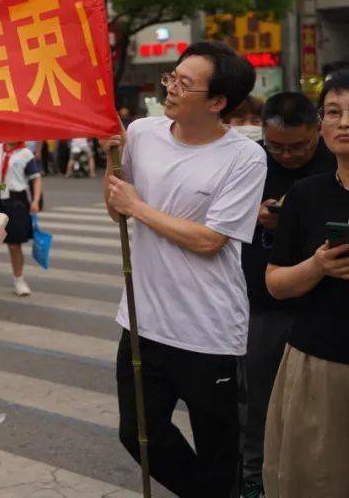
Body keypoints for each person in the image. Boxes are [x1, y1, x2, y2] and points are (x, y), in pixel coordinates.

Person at [104, 42, 266, 497]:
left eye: (183, 83)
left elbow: (211, 241)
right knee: (138, 434)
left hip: (208, 331)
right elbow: (118, 211)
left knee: (219, 450)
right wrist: (112, 158)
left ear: (217, 103)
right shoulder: (143, 132)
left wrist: (138, 206)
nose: (170, 88)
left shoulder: (245, 157)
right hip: (142, 322)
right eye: (171, 77)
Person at [236, 92, 335, 498]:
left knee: (319, 409)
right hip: (263, 302)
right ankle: (254, 476)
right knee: (255, 398)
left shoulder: (335, 161)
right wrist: (252, 214)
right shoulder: (249, 162)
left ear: (317, 131)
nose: (287, 155)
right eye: (276, 145)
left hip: (323, 303)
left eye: (298, 145)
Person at [263, 72, 349, 497]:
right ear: (322, 123)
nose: (344, 122)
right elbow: (276, 283)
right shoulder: (306, 194)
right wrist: (316, 266)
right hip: (319, 363)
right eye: (334, 112)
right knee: (315, 480)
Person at [0, 140, 43, 297]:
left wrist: (36, 200)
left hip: (16, 199)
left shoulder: (26, 154)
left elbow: (36, 178)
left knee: (14, 245)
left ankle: (19, 280)